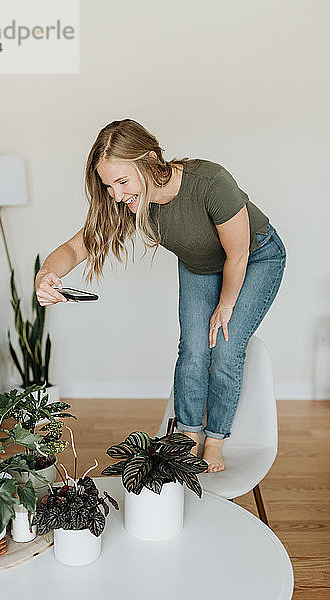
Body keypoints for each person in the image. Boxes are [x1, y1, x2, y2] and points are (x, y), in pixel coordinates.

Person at [36, 119, 286, 473]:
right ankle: (186, 438)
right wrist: (47, 273)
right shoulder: (128, 203)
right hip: (200, 264)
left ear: (151, 160)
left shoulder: (210, 182)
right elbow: (77, 248)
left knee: (226, 346)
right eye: (108, 186)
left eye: (122, 182)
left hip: (255, 256)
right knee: (194, 350)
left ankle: (215, 440)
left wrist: (225, 305)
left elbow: (238, 254)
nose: (117, 195)